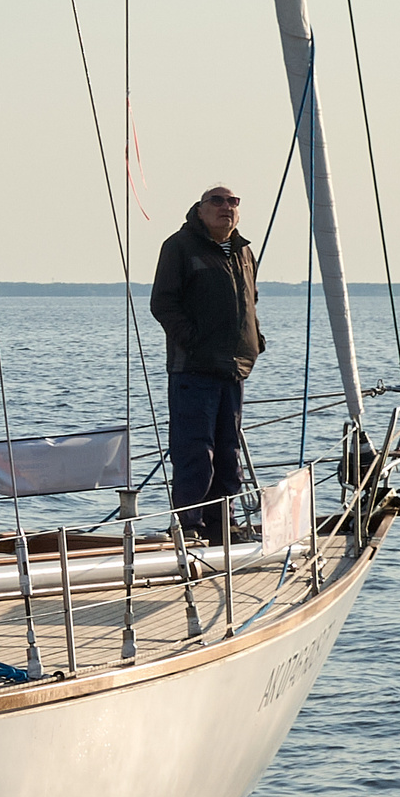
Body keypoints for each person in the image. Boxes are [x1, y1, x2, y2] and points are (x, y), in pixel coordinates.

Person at [150, 185, 265, 546]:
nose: (226, 208)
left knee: (228, 453)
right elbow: (163, 303)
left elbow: (251, 299)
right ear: (200, 210)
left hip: (233, 368)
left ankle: (222, 524)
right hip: (193, 368)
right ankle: (189, 525)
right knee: (195, 451)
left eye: (233, 202)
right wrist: (193, 340)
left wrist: (255, 341)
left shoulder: (244, 252)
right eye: (217, 201)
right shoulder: (179, 247)